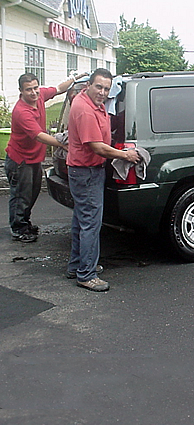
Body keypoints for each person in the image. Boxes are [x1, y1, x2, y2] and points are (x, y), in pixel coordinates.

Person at [67, 68, 139, 292]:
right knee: (90, 224)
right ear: (88, 85)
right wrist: (125, 154)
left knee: (81, 220)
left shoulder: (90, 102)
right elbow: (96, 147)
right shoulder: (85, 110)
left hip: (82, 171)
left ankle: (77, 265)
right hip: (86, 172)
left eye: (107, 89)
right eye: (99, 87)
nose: (103, 92)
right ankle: (86, 274)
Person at [5, 72, 85, 243]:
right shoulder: (22, 111)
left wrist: (75, 80)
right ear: (21, 91)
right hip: (20, 161)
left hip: (33, 159)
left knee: (32, 193)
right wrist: (62, 144)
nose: (34, 93)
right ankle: (18, 228)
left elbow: (57, 89)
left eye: (35, 88)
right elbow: (39, 136)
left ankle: (24, 222)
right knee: (21, 195)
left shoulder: (40, 95)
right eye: (29, 90)